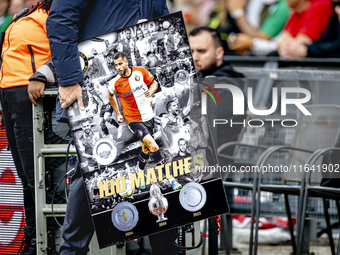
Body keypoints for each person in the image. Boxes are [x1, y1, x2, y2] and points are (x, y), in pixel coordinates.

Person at [45, 1, 180, 253]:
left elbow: (162, 19)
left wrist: (152, 29)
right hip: (95, 93)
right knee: (93, 171)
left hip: (141, 97)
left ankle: (167, 248)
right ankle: (71, 251)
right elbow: (60, 21)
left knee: (156, 167)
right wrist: (70, 79)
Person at [0, 1, 53, 254]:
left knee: (36, 176)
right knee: (25, 176)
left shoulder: (53, 13)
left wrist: (43, 75)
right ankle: (33, 238)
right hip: (10, 95)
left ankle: (43, 240)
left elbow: (67, 50)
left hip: (30, 96)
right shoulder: (30, 13)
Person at [107, 52, 182, 191]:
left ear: (126, 62)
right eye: (116, 65)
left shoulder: (140, 71)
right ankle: (171, 179)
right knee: (153, 147)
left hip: (149, 117)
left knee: (146, 149)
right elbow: (111, 95)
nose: (118, 67)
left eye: (120, 64)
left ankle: (139, 172)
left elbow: (154, 84)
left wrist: (151, 91)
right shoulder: (115, 82)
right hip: (133, 120)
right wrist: (118, 113)